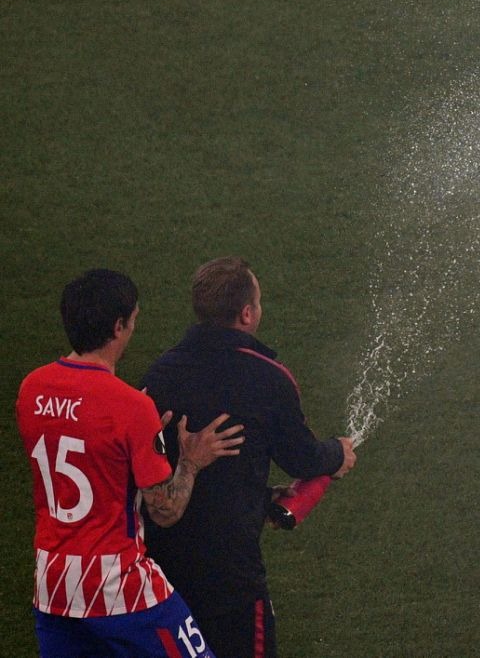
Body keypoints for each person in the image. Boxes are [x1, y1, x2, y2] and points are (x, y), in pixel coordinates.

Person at [16, 269, 243, 657]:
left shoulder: (31, 389)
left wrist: (137, 434)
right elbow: (165, 511)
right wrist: (190, 461)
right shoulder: (132, 407)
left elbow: (83, 439)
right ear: (118, 326)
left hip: (52, 585)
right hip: (116, 586)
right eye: (134, 319)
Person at [142, 257, 357, 658]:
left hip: (164, 571)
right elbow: (302, 459)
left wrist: (261, 496)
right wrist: (336, 453)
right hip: (231, 575)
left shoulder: (160, 373)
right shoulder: (268, 377)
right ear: (246, 314)